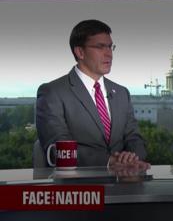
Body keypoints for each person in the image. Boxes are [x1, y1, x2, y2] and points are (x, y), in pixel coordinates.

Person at [36, 19, 149, 168]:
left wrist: (132, 157)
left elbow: (134, 138)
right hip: (78, 185)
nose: (109, 54)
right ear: (80, 52)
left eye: (110, 47)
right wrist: (109, 161)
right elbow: (59, 147)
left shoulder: (122, 93)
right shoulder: (53, 92)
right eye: (100, 47)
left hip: (125, 182)